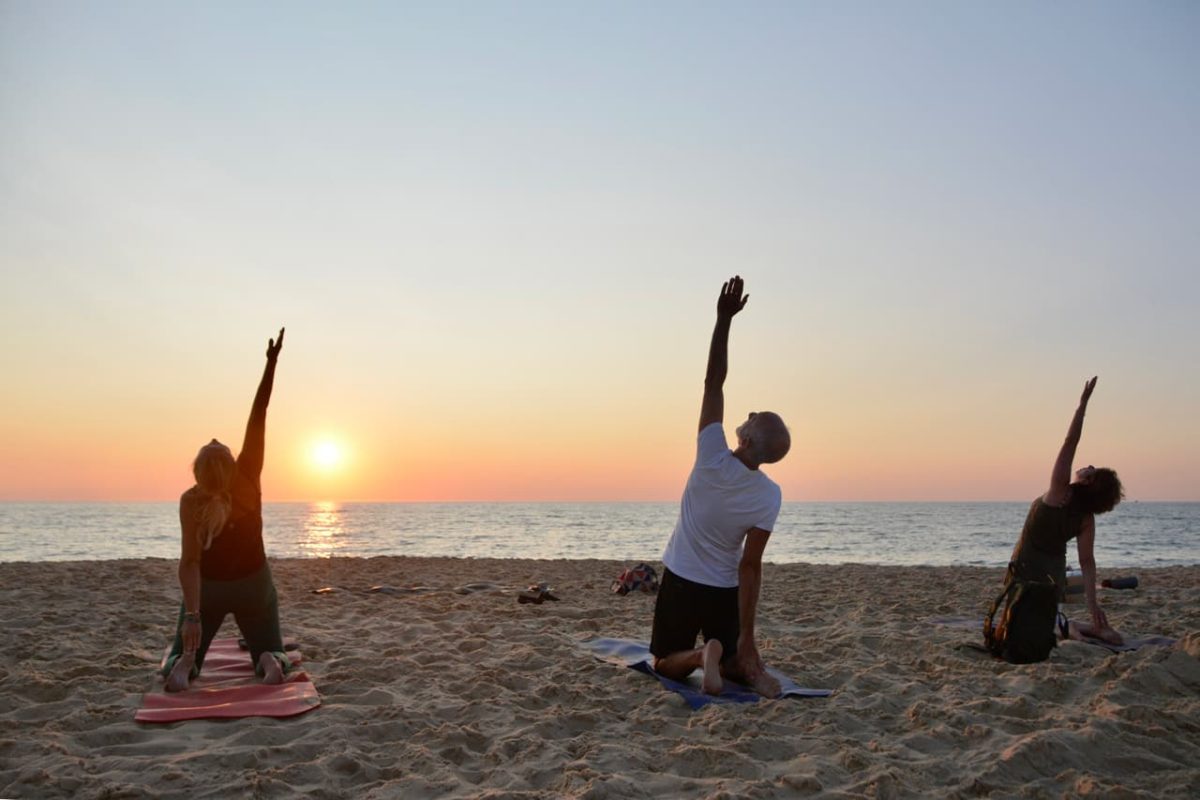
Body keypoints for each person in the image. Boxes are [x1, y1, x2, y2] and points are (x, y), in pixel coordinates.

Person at [650, 276, 791, 697]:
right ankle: (733, 661)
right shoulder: (770, 495)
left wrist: (723, 320)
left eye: (752, 417)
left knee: (663, 663)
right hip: (723, 589)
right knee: (733, 663)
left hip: (681, 578)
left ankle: (698, 657)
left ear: (745, 441)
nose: (745, 413)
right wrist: (748, 638)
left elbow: (714, 382)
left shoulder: (710, 453)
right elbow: (751, 567)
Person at [163, 328, 291, 691]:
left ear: (198, 472)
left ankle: (185, 665)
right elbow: (259, 412)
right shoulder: (248, 476)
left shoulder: (191, 500)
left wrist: (192, 616)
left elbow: (189, 563)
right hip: (253, 584)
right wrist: (271, 363)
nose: (216, 438)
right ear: (230, 463)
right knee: (272, 648)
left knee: (180, 654)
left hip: (210, 591)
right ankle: (268, 658)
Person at [992, 376, 1125, 659]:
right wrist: (1093, 605)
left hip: (1027, 565)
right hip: (1054, 573)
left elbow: (1070, 441)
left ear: (1087, 482)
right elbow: (1087, 563)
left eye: (1091, 469)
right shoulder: (1086, 518)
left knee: (1020, 625)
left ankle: (1068, 628)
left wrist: (1082, 405)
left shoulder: (1058, 490)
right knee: (1036, 621)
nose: (1088, 465)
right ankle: (1074, 627)